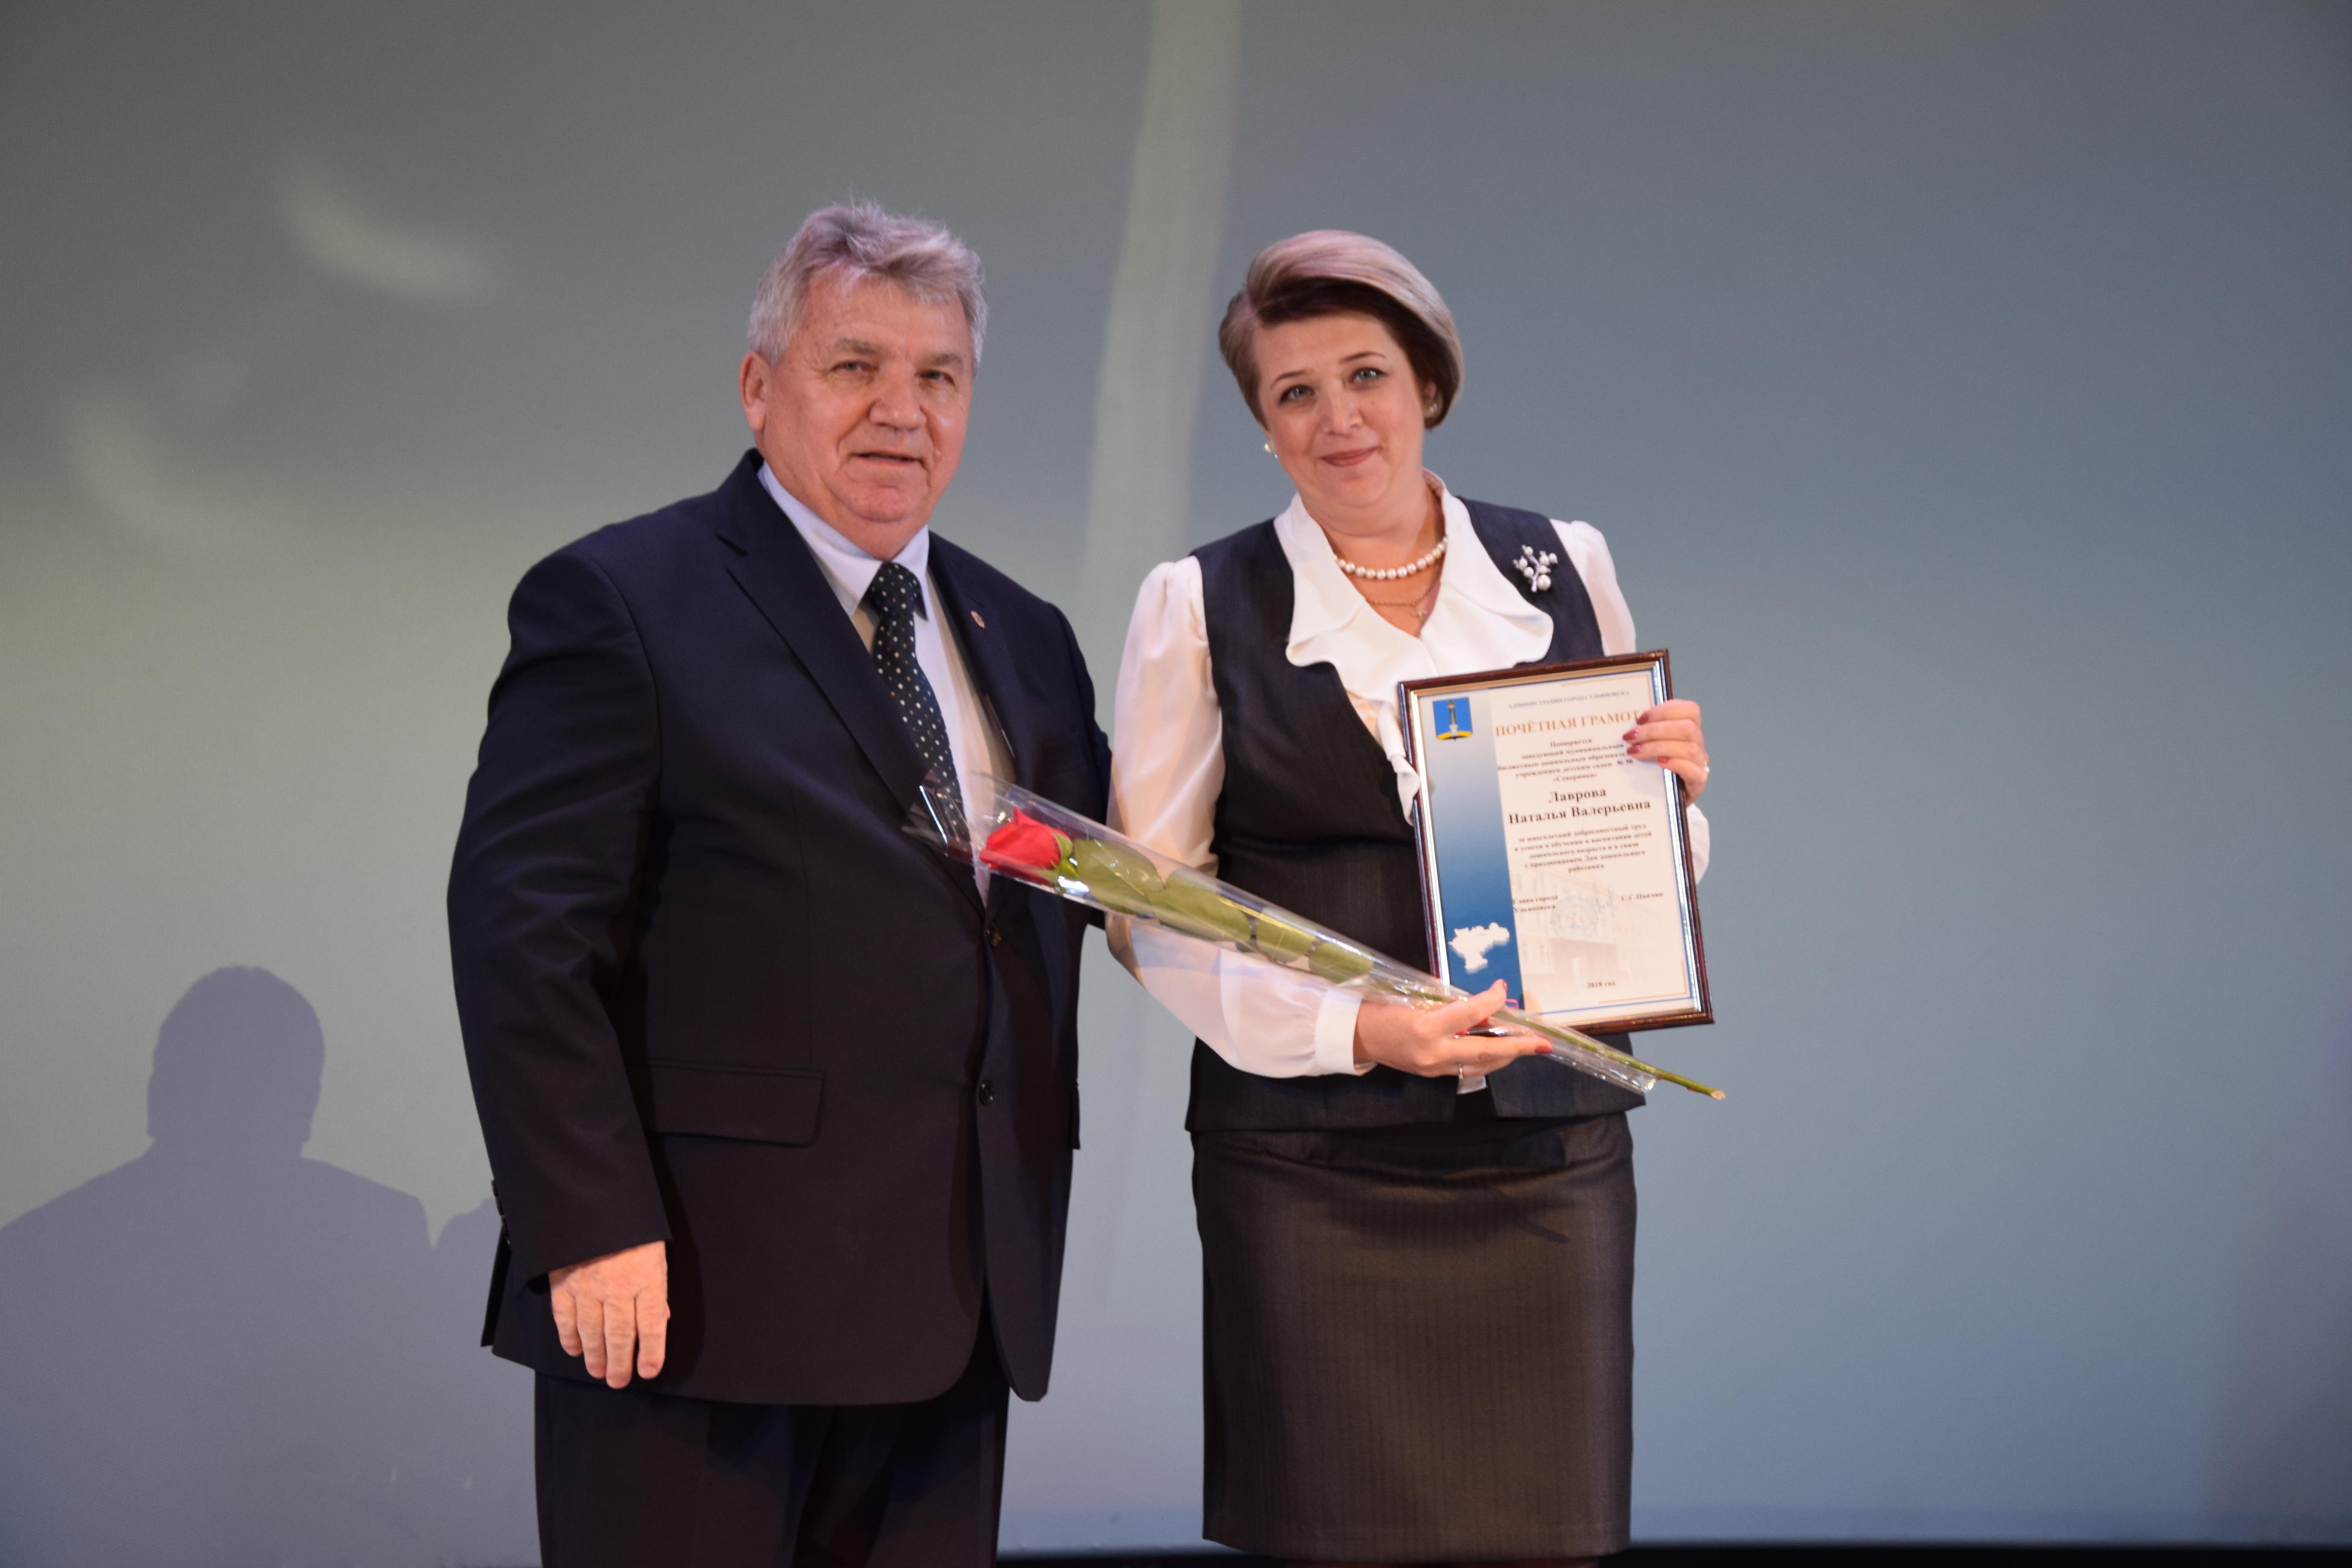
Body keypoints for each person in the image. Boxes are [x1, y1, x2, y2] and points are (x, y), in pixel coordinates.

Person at [447, 203, 1109, 1568]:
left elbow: (1117, 891)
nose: (902, 411)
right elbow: (522, 936)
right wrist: (589, 1224)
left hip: (956, 1308)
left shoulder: (1027, 636)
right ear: (760, 387)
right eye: (854, 365)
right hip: (696, 1310)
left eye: (939, 376)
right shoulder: (622, 598)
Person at [1111, 230, 1713, 1568]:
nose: (1339, 418)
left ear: (1427, 383)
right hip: (1310, 1166)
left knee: (1546, 1539)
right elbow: (1156, 912)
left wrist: (1669, 804)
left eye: (1366, 374)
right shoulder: (1198, 603)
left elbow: (1637, 860)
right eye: (1295, 392)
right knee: (1331, 1537)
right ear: (1264, 425)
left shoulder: (1563, 565)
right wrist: (1357, 1030)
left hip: (1549, 1155)